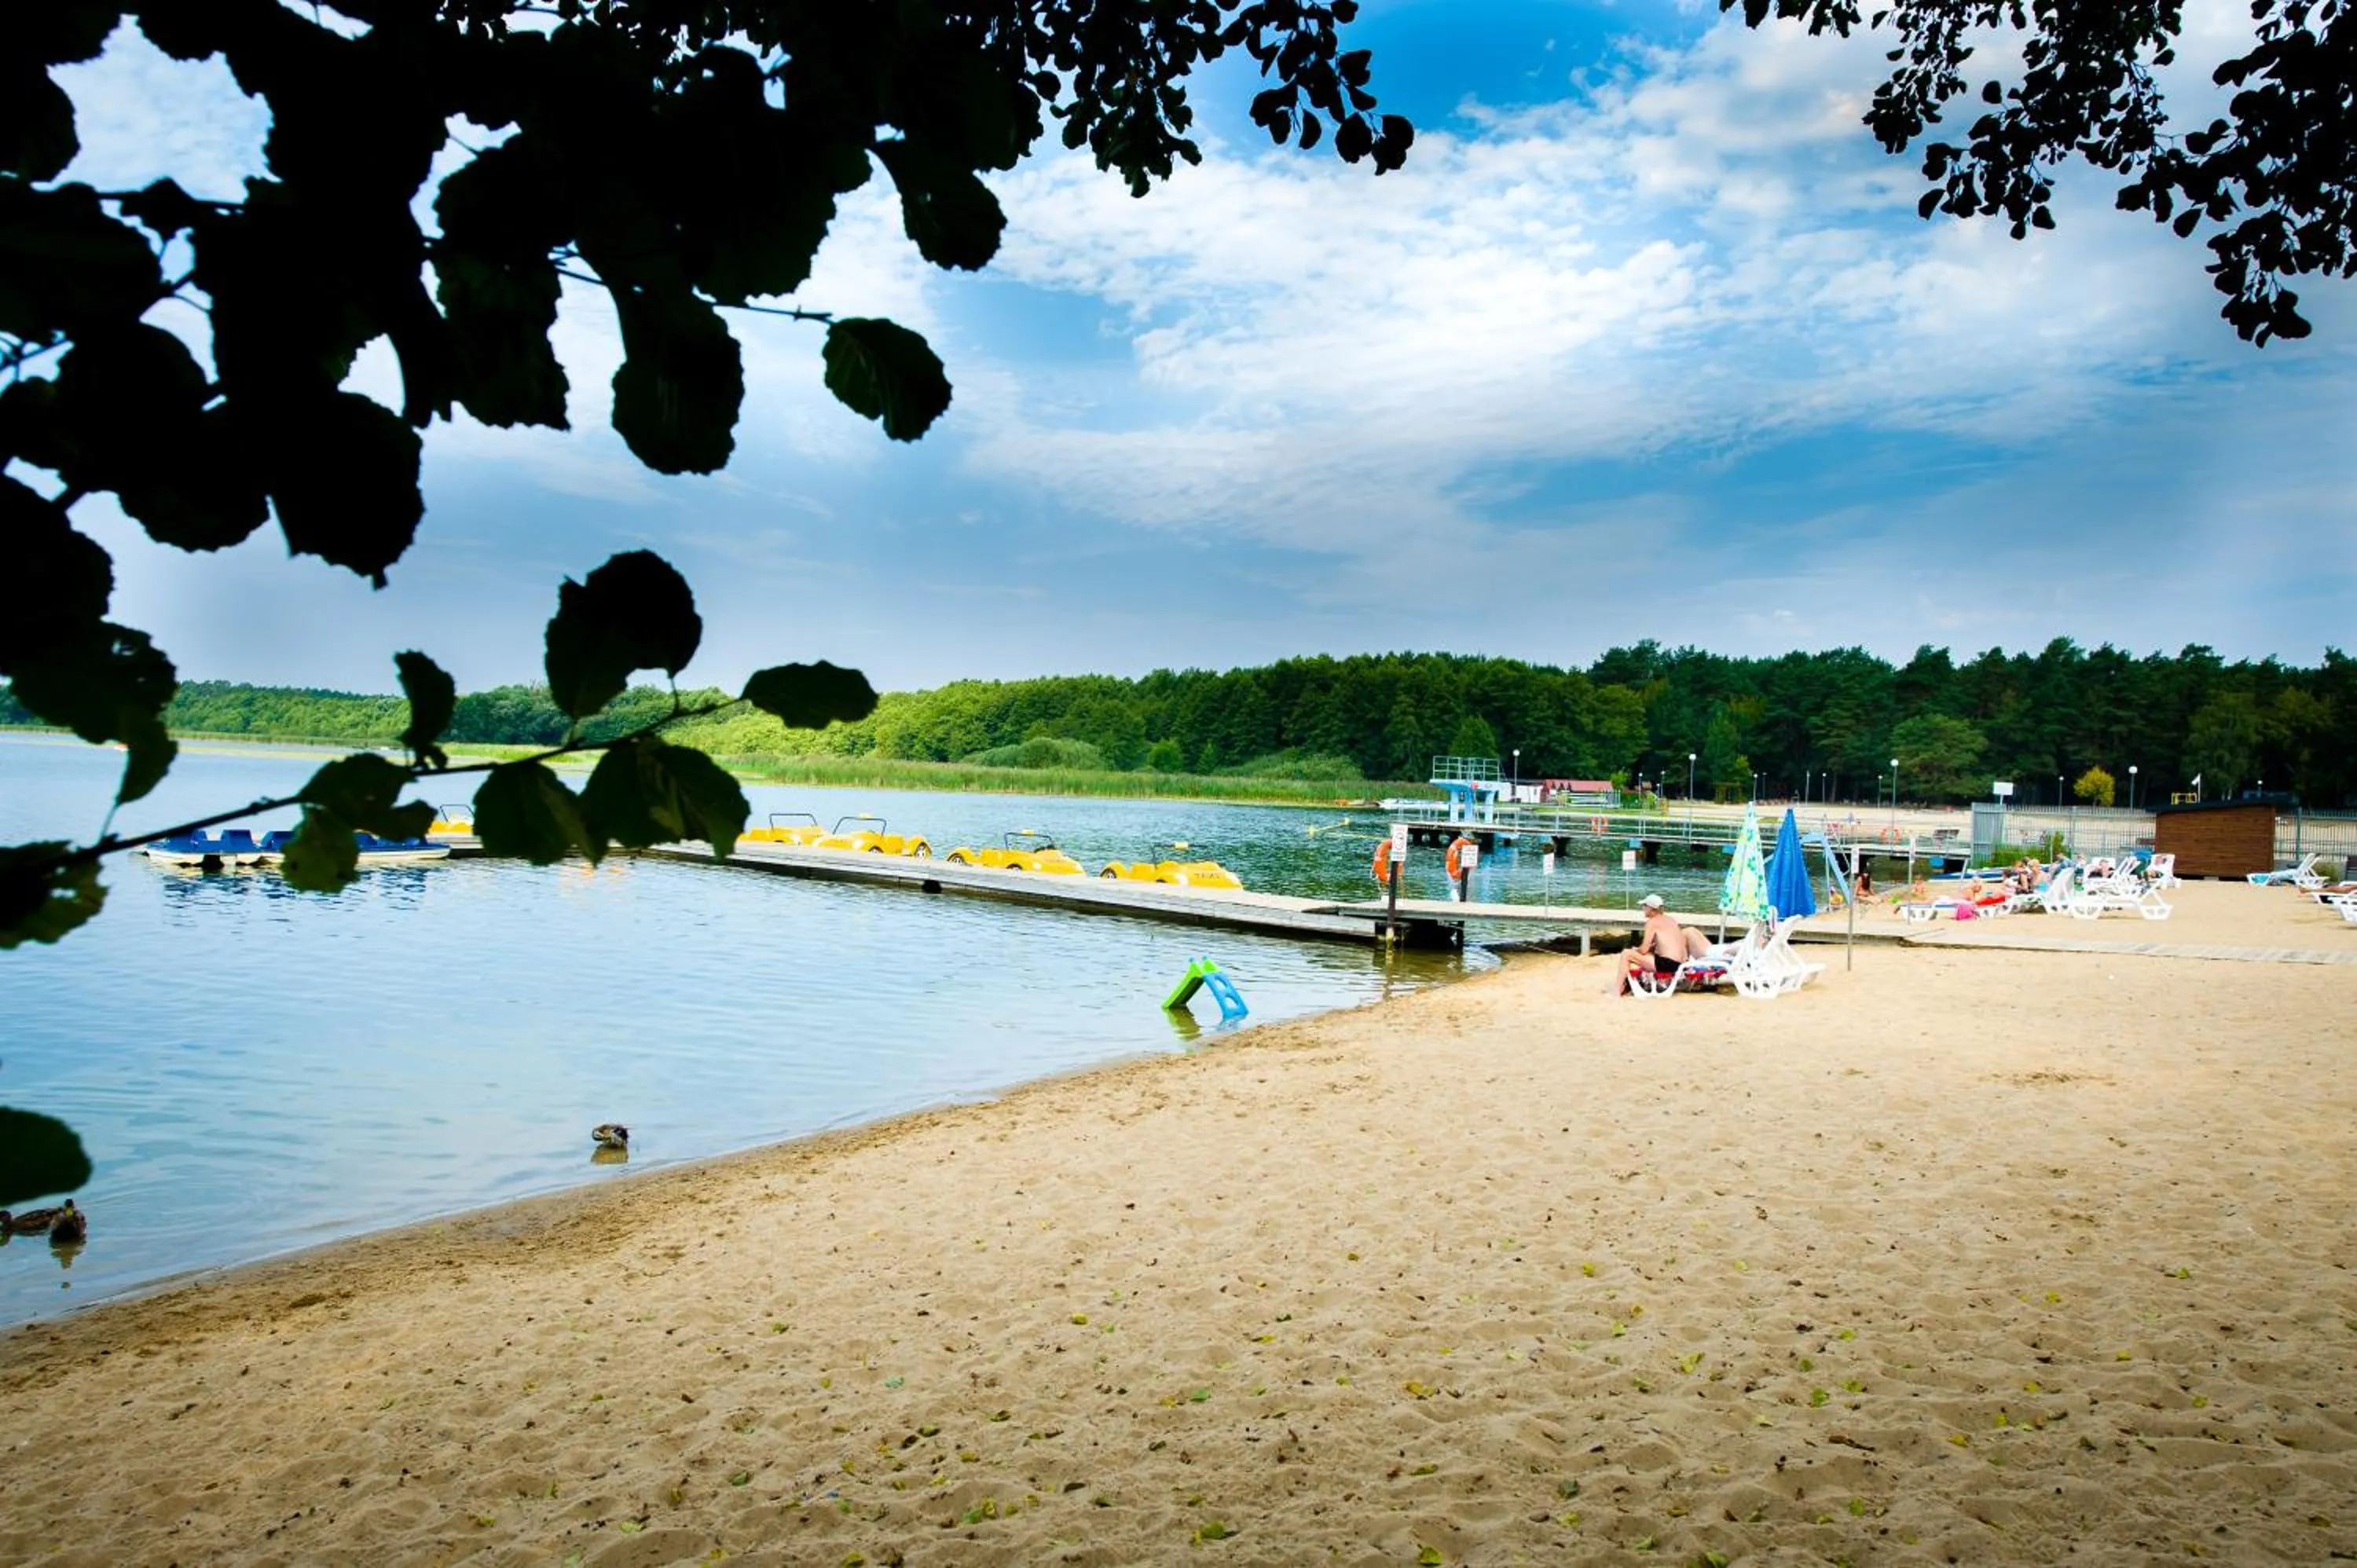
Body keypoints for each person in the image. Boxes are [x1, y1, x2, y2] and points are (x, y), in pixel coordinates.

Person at [1616, 893, 1692, 995]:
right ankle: (1632, 984)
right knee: (1649, 955)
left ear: (1651, 908)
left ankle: (1617, 991)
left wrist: (1635, 950)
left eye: (1644, 906)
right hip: (1681, 963)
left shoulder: (1652, 922)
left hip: (1668, 964)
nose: (1642, 908)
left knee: (1626, 954)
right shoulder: (1671, 920)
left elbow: (1643, 950)